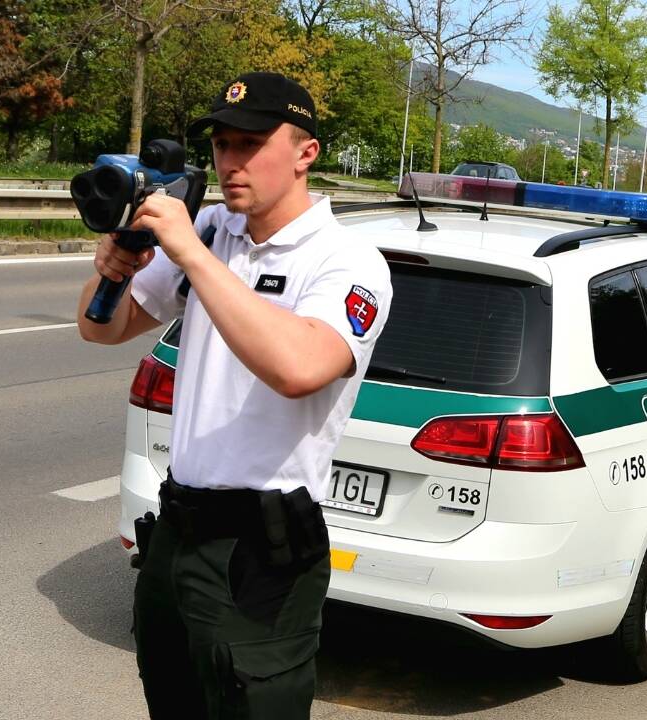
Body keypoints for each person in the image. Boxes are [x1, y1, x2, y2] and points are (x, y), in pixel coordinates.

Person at [76, 72, 392, 720]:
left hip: (263, 551)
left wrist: (192, 254)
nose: (230, 161)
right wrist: (110, 269)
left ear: (307, 152)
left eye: (250, 143)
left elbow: (300, 366)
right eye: (222, 144)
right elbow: (101, 328)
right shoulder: (212, 229)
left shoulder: (347, 261)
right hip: (177, 532)